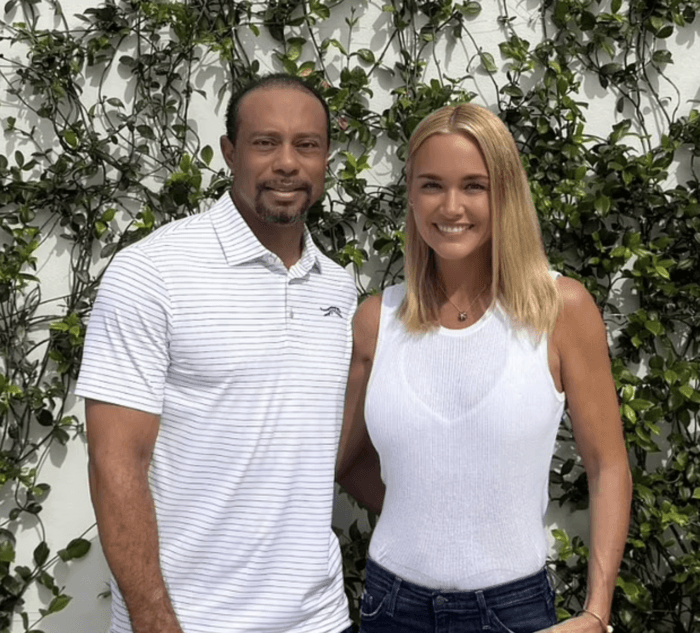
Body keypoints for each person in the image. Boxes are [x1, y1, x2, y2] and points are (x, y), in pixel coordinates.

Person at [76, 74, 357, 633]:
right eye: (265, 143)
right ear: (229, 152)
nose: (287, 163)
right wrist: (154, 619)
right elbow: (115, 463)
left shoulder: (337, 286)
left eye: (306, 145)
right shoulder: (151, 273)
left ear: (326, 158)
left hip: (321, 620)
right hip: (192, 620)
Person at [336, 103, 632, 633]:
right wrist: (435, 514)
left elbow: (607, 465)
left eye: (474, 186)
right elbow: (345, 459)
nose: (451, 206)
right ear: (411, 195)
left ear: (506, 194)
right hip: (391, 607)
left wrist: (597, 610)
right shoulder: (377, 321)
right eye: (432, 185)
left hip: (513, 610)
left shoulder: (560, 310)